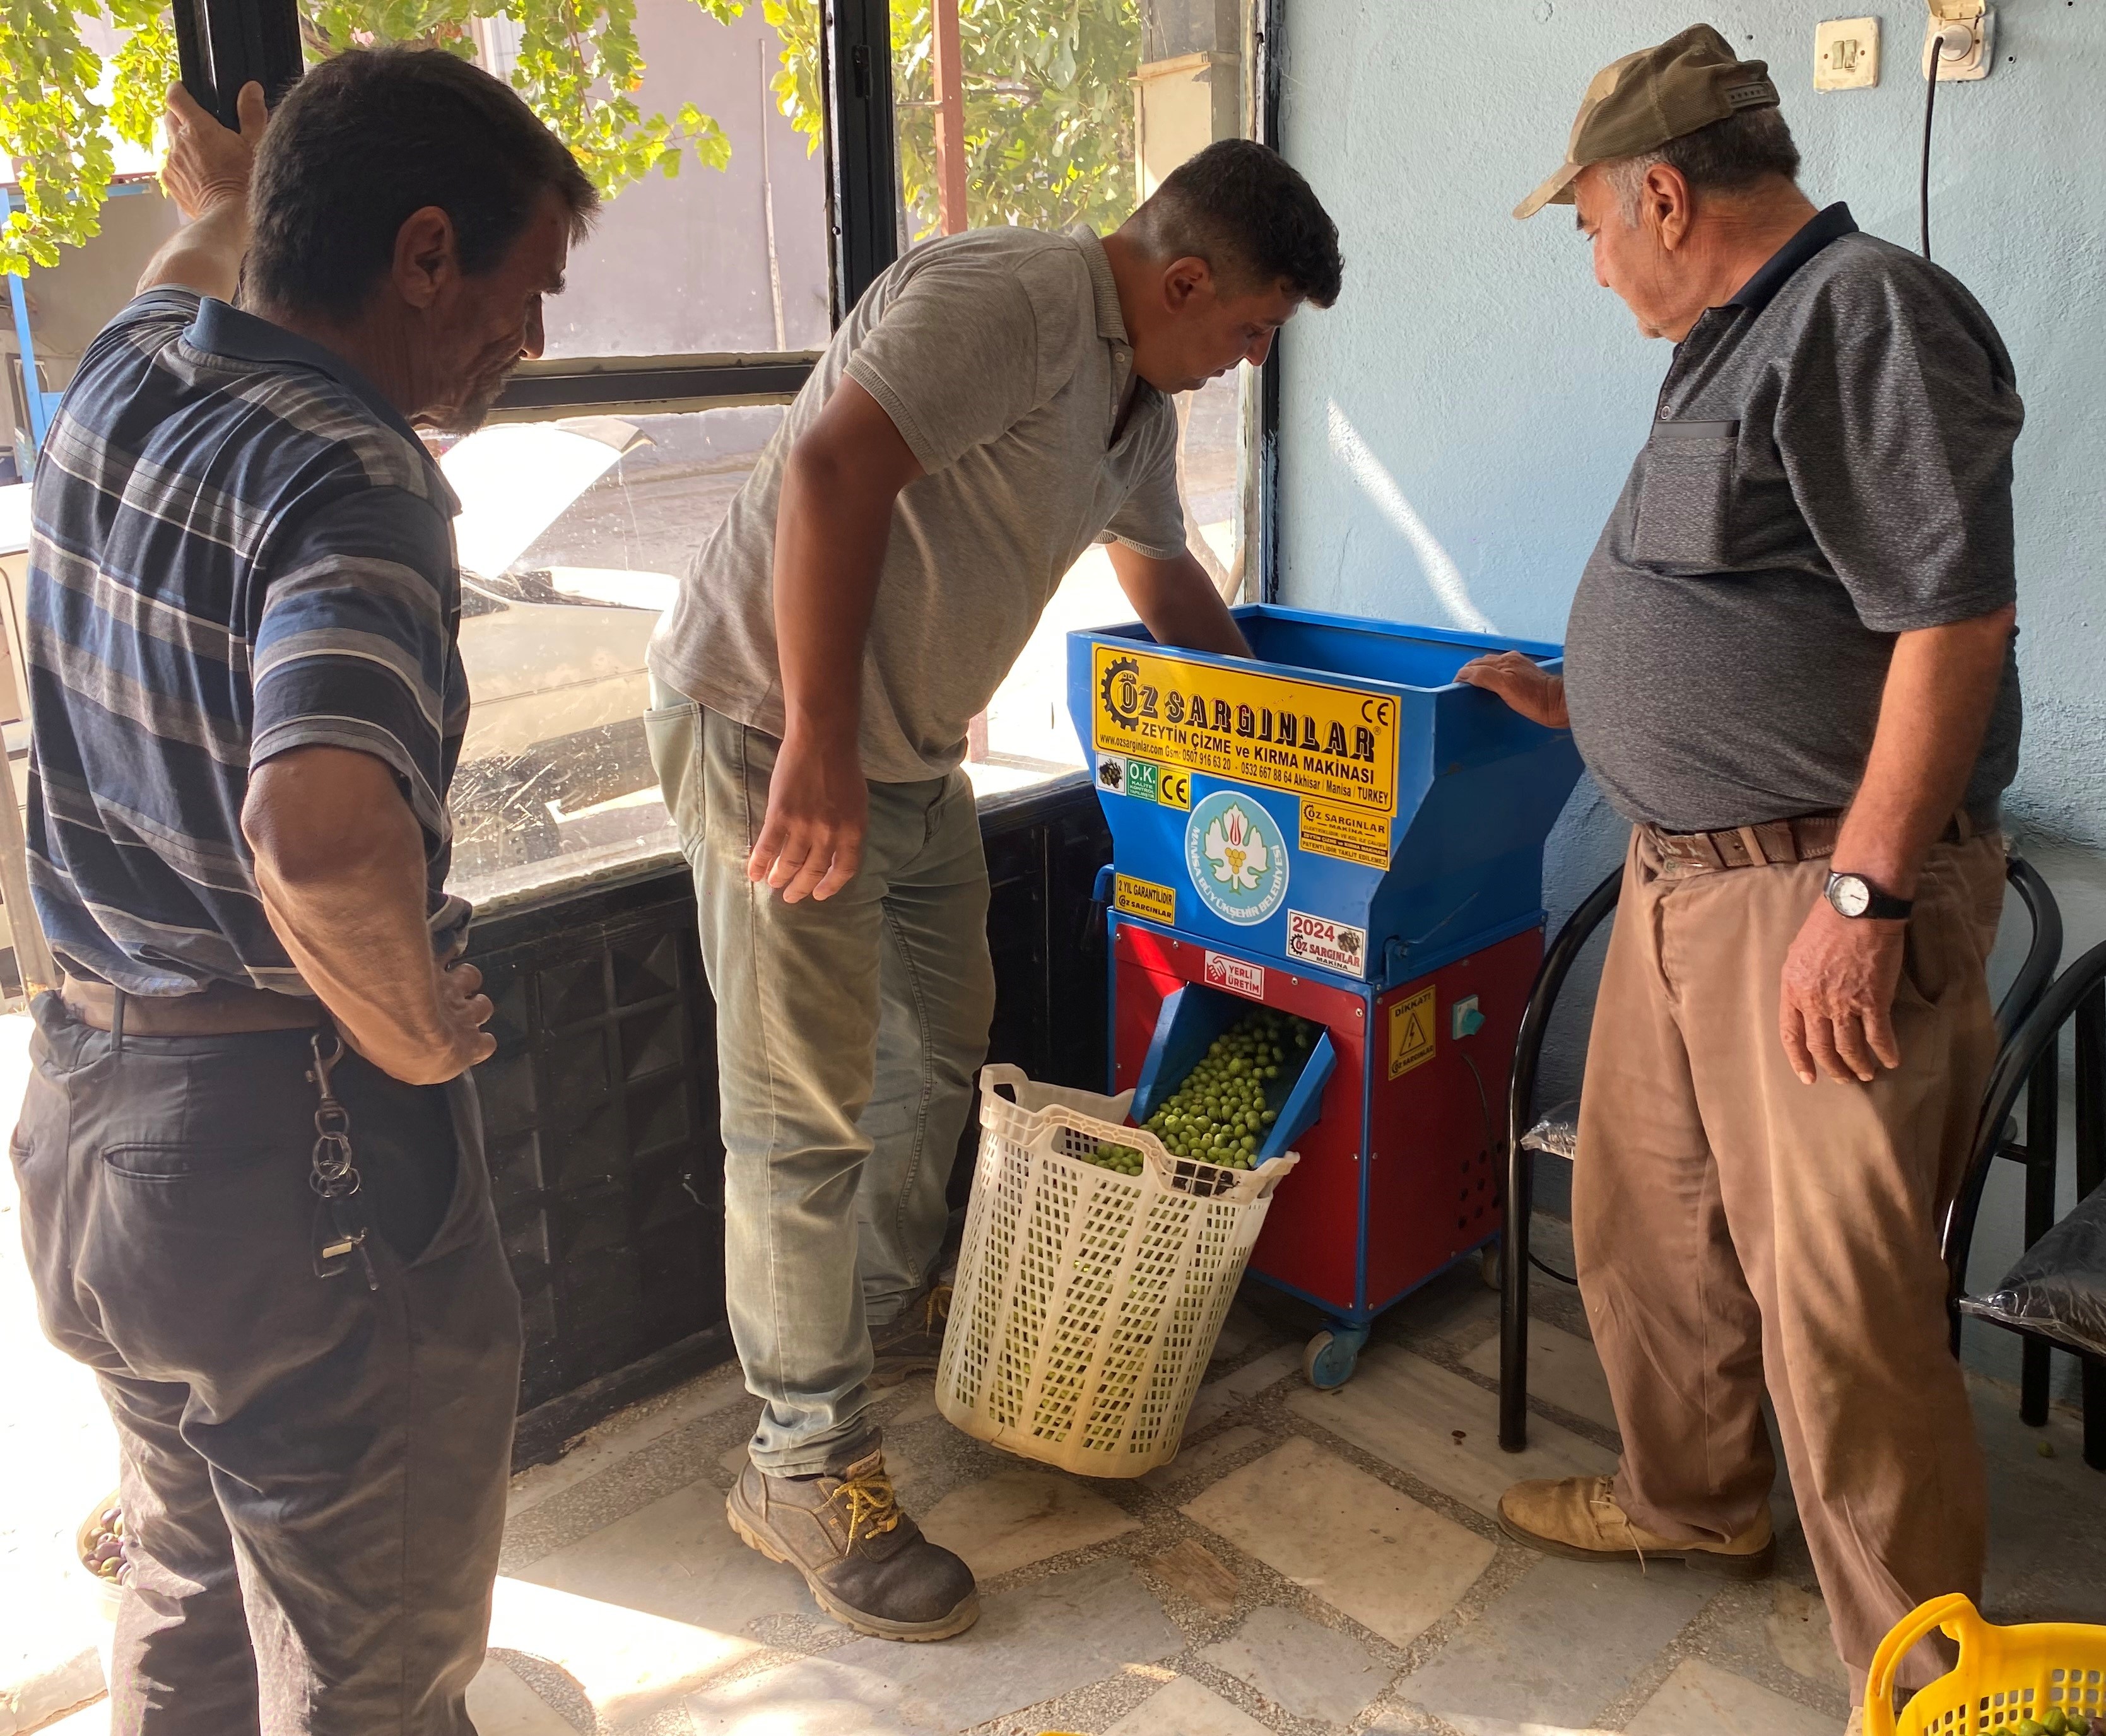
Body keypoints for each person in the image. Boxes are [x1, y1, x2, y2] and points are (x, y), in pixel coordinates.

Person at [647, 139, 1343, 1641]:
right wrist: (819, 741)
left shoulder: (1132, 400)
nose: (1241, 365)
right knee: (800, 1113)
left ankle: (880, 1303)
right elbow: (834, 463)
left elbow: (1172, 598)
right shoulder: (1011, 298)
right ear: (1181, 280)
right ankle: (804, 1458)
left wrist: (1339, 748)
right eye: (1246, 332)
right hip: (776, 729)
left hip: (899, 761)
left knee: (942, 1041)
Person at [13, 50, 595, 1733]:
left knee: (189, 1590)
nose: (531, 340)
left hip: (93, 1137)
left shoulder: (125, 367)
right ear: (424, 256)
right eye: (523, 287)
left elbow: (200, 264)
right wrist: (414, 1038)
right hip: (295, 1171)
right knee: (374, 1675)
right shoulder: (358, 479)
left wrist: (224, 200)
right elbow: (325, 835)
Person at [1459, 23, 2023, 1725]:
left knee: (1835, 1309)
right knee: (1650, 1231)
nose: (1591, 258)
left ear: (1658, 190)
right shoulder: (1728, 342)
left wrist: (1859, 905)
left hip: (1808, 897)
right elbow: (1770, 607)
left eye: (1587, 226)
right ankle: (1693, 1505)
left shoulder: (1864, 316)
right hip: (1681, 885)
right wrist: (1598, 697)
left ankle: (1925, 1676)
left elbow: (1954, 620)